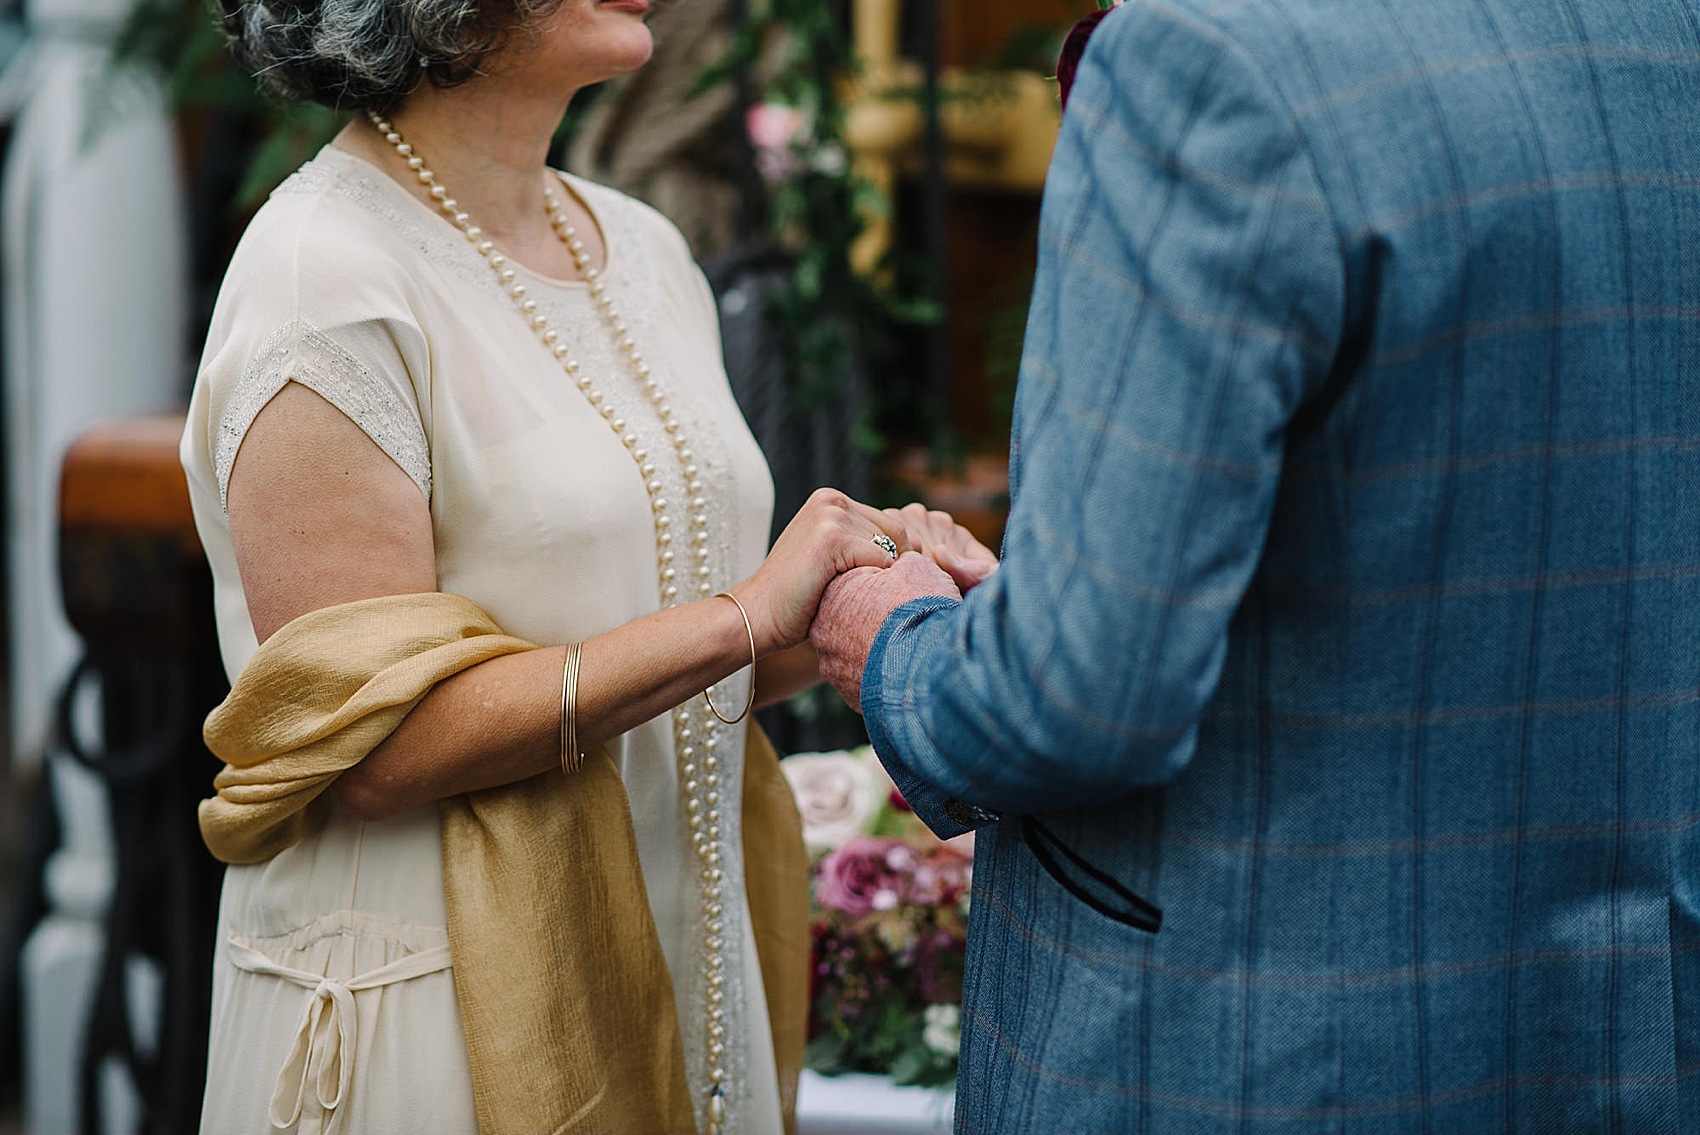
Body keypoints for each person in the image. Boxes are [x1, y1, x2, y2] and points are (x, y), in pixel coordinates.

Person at [811, 0, 1700, 1130]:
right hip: (1624, 1040)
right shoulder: (1664, 40)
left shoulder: (1211, 66)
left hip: (1258, 1051)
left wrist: (895, 634)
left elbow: (1073, 699)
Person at [177, 1, 990, 1131]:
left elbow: (657, 649)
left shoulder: (643, 247)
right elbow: (369, 744)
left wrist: (863, 591)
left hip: (678, 958)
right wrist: (747, 615)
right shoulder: (322, 274)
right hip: (439, 1003)